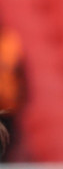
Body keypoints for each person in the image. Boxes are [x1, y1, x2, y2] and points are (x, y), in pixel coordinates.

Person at [0, 19, 26, 163]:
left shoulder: (10, 41)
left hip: (9, 106)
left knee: (7, 147)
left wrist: (22, 100)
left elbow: (21, 71)